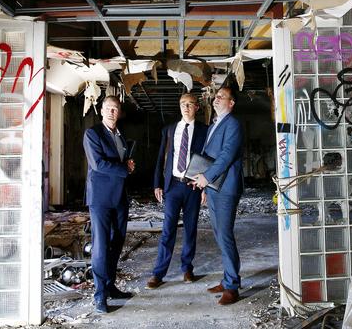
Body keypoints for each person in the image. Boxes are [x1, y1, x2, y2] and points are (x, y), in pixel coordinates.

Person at [146, 93, 208, 289]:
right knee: (167, 230)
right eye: (183, 104)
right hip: (172, 185)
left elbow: (208, 159)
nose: (186, 107)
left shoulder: (205, 131)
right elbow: (160, 159)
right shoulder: (170, 130)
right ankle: (158, 273)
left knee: (190, 229)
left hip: (193, 186)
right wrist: (157, 183)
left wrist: (206, 187)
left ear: (197, 107)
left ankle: (187, 269)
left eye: (190, 104)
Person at [192, 86, 244, 305]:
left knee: (225, 234)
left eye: (221, 97)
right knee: (219, 234)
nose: (216, 99)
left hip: (225, 187)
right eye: (216, 96)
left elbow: (226, 156)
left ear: (231, 103)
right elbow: (209, 156)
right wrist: (205, 185)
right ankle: (227, 278)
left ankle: (232, 287)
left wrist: (206, 177)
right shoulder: (216, 124)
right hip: (214, 188)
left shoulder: (232, 124)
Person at [83, 95, 135, 314]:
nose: (112, 112)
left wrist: (128, 163)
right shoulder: (93, 134)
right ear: (102, 110)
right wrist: (125, 168)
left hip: (119, 196)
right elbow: (98, 164)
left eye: (116, 109)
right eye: (109, 109)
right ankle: (100, 296)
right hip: (101, 199)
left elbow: (119, 160)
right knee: (101, 247)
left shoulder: (120, 135)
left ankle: (110, 286)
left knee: (117, 243)